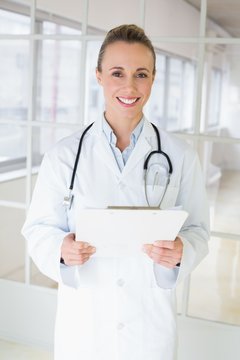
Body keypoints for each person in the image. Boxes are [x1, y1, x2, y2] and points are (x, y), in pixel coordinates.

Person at [22, 24, 209, 360]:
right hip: (85, 325)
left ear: (153, 78)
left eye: (141, 74)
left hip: (150, 327)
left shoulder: (180, 155)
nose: (129, 85)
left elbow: (199, 231)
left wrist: (182, 250)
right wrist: (61, 249)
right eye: (117, 72)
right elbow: (37, 229)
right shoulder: (64, 156)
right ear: (98, 76)